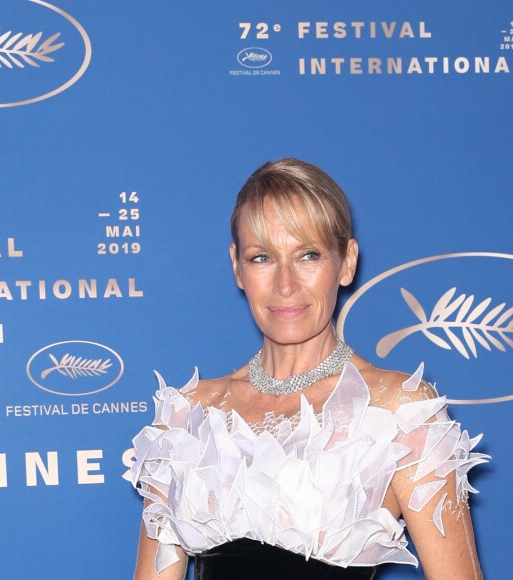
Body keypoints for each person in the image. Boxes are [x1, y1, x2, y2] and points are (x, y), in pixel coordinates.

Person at [129, 158, 488, 579]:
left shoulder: (401, 412)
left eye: (308, 255)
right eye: (262, 257)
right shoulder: (186, 416)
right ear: (237, 267)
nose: (285, 284)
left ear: (347, 261)